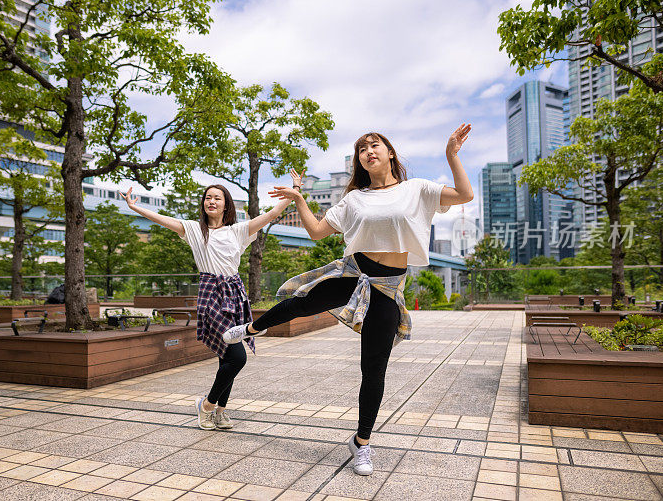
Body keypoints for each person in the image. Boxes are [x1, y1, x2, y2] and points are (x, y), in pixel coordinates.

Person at [223, 125, 474, 475]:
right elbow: (316, 231)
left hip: (386, 288)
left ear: (390, 154)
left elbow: (465, 195)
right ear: (359, 161)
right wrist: (298, 198)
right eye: (361, 149)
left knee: (373, 370)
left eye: (376, 145)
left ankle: (362, 444)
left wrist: (452, 154)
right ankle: (251, 328)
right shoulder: (355, 199)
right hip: (354, 274)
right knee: (301, 301)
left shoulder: (417, 190)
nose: (369, 151)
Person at [120, 181, 294, 430]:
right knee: (237, 356)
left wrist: (292, 192)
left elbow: (272, 214)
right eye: (207, 197)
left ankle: (220, 412)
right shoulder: (194, 229)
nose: (211, 201)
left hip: (234, 293)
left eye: (217, 198)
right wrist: (135, 208)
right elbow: (162, 219)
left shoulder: (238, 231)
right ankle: (207, 405)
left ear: (226, 205)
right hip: (210, 293)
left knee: (227, 356)